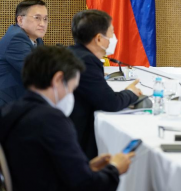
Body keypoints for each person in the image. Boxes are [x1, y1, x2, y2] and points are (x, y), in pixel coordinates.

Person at [0, 46, 135, 191]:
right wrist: (114, 169)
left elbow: (37, 167)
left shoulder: (10, 111)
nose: (71, 95)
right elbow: (87, 186)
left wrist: (87, 168)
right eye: (71, 88)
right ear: (58, 79)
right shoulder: (51, 120)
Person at [69, 9, 142, 159]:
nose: (113, 38)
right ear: (99, 39)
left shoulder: (74, 53)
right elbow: (110, 103)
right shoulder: (87, 61)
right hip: (75, 140)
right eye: (111, 33)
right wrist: (131, 93)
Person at [0, 0, 48, 107]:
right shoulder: (16, 38)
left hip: (20, 103)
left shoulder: (38, 40)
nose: (42, 24)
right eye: (37, 18)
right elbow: (36, 72)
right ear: (20, 20)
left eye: (45, 19)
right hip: (6, 105)